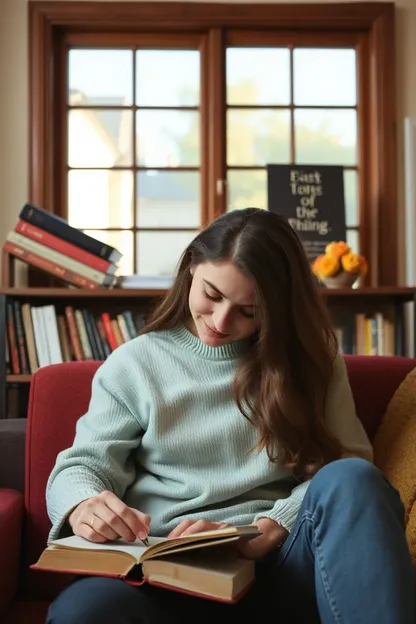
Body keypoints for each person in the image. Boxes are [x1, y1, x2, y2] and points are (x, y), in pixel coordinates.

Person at [46, 208, 415, 624]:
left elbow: (345, 465)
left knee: (352, 478)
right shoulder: (135, 363)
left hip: (279, 566)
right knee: (84, 610)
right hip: (164, 570)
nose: (221, 322)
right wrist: (83, 504)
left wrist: (270, 527)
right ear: (190, 270)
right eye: (212, 295)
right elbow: (83, 464)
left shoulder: (314, 362)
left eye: (250, 310)